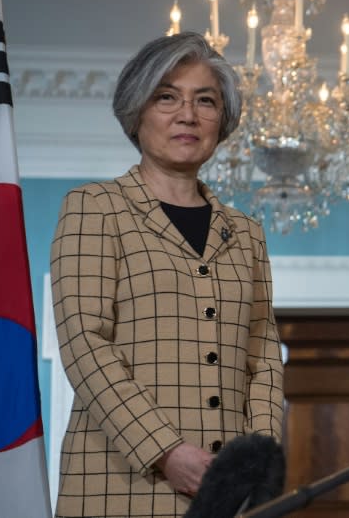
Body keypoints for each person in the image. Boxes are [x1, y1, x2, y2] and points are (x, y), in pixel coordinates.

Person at [50, 32, 284, 518]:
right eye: (167, 97)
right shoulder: (95, 208)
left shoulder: (246, 233)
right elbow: (85, 344)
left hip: (229, 497)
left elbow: (262, 358)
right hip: (120, 486)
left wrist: (257, 462)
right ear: (137, 112)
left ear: (223, 120)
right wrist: (166, 451)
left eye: (206, 101)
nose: (188, 115)